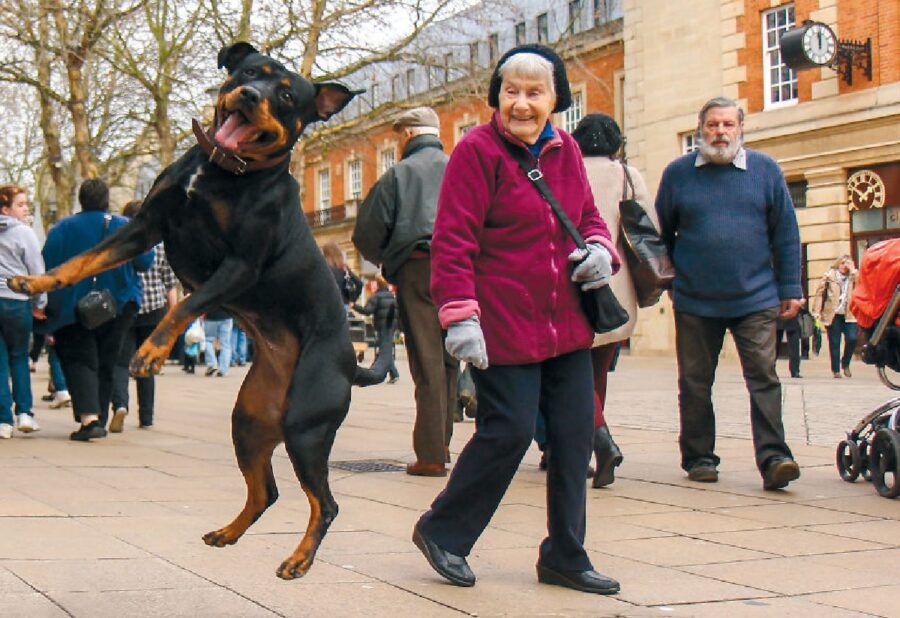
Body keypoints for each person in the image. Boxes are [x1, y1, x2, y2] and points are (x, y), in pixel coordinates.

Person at [411, 46, 621, 595]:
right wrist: (460, 316)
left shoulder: (567, 149)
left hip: (567, 324)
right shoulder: (476, 151)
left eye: (535, 92)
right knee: (507, 431)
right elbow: (453, 241)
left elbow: (589, 218)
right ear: (497, 95)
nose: (522, 103)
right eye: (511, 90)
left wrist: (600, 250)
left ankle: (565, 556)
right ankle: (444, 531)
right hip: (502, 324)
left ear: (555, 100)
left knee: (575, 436)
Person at [655, 96, 803, 490]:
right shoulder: (678, 174)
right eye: (712, 125)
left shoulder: (766, 171)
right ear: (700, 130)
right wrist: (671, 282)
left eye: (728, 125)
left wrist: (790, 286)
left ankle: (775, 458)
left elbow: (786, 233)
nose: (720, 132)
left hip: (756, 297)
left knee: (764, 378)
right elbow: (661, 236)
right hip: (695, 299)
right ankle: (700, 457)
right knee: (695, 382)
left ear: (740, 129)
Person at [353, 106, 459, 477]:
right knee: (450, 356)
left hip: (418, 267)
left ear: (410, 135)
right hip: (462, 267)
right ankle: (442, 439)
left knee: (426, 357)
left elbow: (365, 233)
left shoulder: (398, 174)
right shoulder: (460, 167)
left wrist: (389, 260)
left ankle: (430, 453)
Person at [573, 112, 654, 488]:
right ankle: (591, 443)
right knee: (598, 372)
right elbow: (646, 227)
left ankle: (597, 440)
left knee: (570, 376)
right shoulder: (627, 175)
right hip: (617, 287)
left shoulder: (566, 169)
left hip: (574, 282)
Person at [40, 179, 153, 441]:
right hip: (119, 304)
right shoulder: (124, 226)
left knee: (80, 359)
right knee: (107, 359)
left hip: (73, 306)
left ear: (81, 199)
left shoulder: (62, 228)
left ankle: (89, 418)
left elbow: (47, 266)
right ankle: (100, 415)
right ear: (106, 199)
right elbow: (144, 262)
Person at [110, 200, 178, 430]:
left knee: (120, 361)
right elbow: (169, 282)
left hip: (126, 305)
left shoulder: (121, 241)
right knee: (146, 364)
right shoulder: (158, 244)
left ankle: (120, 404)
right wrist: (173, 315)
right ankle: (146, 417)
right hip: (155, 307)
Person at [0, 185, 47, 438]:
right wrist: (40, 303)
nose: (25, 208)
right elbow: (36, 271)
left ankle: (3, 420)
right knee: (19, 357)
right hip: (17, 301)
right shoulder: (24, 233)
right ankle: (25, 413)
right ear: (5, 209)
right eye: (20, 204)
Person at [810, 255, 858, 378]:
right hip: (833, 314)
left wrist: (853, 270)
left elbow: (862, 284)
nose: (844, 266)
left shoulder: (853, 276)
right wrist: (816, 311)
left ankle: (845, 363)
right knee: (834, 343)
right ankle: (836, 370)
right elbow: (819, 293)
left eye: (847, 263)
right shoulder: (829, 276)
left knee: (852, 338)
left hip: (849, 314)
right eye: (842, 263)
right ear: (837, 264)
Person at [352, 276, 400, 383]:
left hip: (382, 327)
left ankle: (381, 372)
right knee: (386, 349)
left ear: (377, 284)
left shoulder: (376, 297)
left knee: (384, 350)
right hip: (391, 326)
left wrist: (354, 306)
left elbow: (367, 311)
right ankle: (394, 373)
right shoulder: (392, 296)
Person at [322, 241, 362, 314]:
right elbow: (359, 283)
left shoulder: (324, 269)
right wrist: (352, 301)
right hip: (344, 305)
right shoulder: (344, 268)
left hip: (329, 306)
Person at [776, 298, 808, 379]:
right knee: (774, 345)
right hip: (779, 310)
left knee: (794, 345)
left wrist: (801, 300)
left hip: (793, 312)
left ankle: (795, 371)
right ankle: (769, 369)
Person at [203, 308, 233, 377]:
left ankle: (212, 364)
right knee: (225, 344)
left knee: (208, 341)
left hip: (210, 317)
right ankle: (223, 370)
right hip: (226, 316)